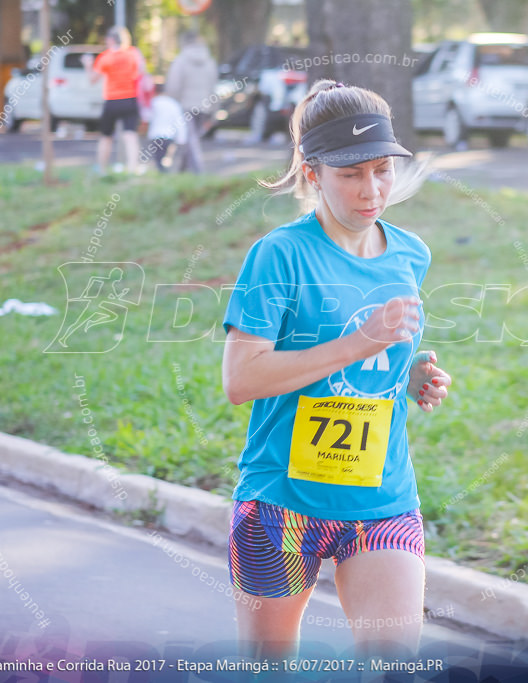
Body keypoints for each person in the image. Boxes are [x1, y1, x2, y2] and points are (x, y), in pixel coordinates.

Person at [221, 80, 451, 660]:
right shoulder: (279, 254)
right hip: (282, 499)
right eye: (351, 174)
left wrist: (412, 373)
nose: (371, 189)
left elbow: (381, 356)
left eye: (381, 169)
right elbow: (242, 380)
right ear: (311, 170)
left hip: (381, 498)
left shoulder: (410, 253)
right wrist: (359, 342)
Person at [82, 26, 144, 174]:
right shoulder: (133, 53)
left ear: (110, 40)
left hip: (112, 100)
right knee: (130, 135)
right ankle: (132, 168)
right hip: (130, 99)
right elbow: (141, 71)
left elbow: (92, 79)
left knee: (106, 136)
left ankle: (102, 169)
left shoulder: (105, 57)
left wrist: (87, 65)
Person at [165, 31, 218, 173]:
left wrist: (173, 101)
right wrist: (213, 109)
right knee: (191, 138)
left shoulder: (181, 60)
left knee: (190, 139)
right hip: (204, 106)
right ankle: (183, 171)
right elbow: (213, 86)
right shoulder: (210, 60)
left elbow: (174, 85)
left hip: (185, 105)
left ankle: (199, 171)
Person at [142, 84, 187, 172]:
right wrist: (182, 139)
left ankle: (161, 173)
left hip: (156, 135)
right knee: (167, 158)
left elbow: (146, 117)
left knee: (158, 158)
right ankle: (165, 173)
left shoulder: (153, 102)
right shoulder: (173, 103)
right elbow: (180, 121)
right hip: (169, 135)